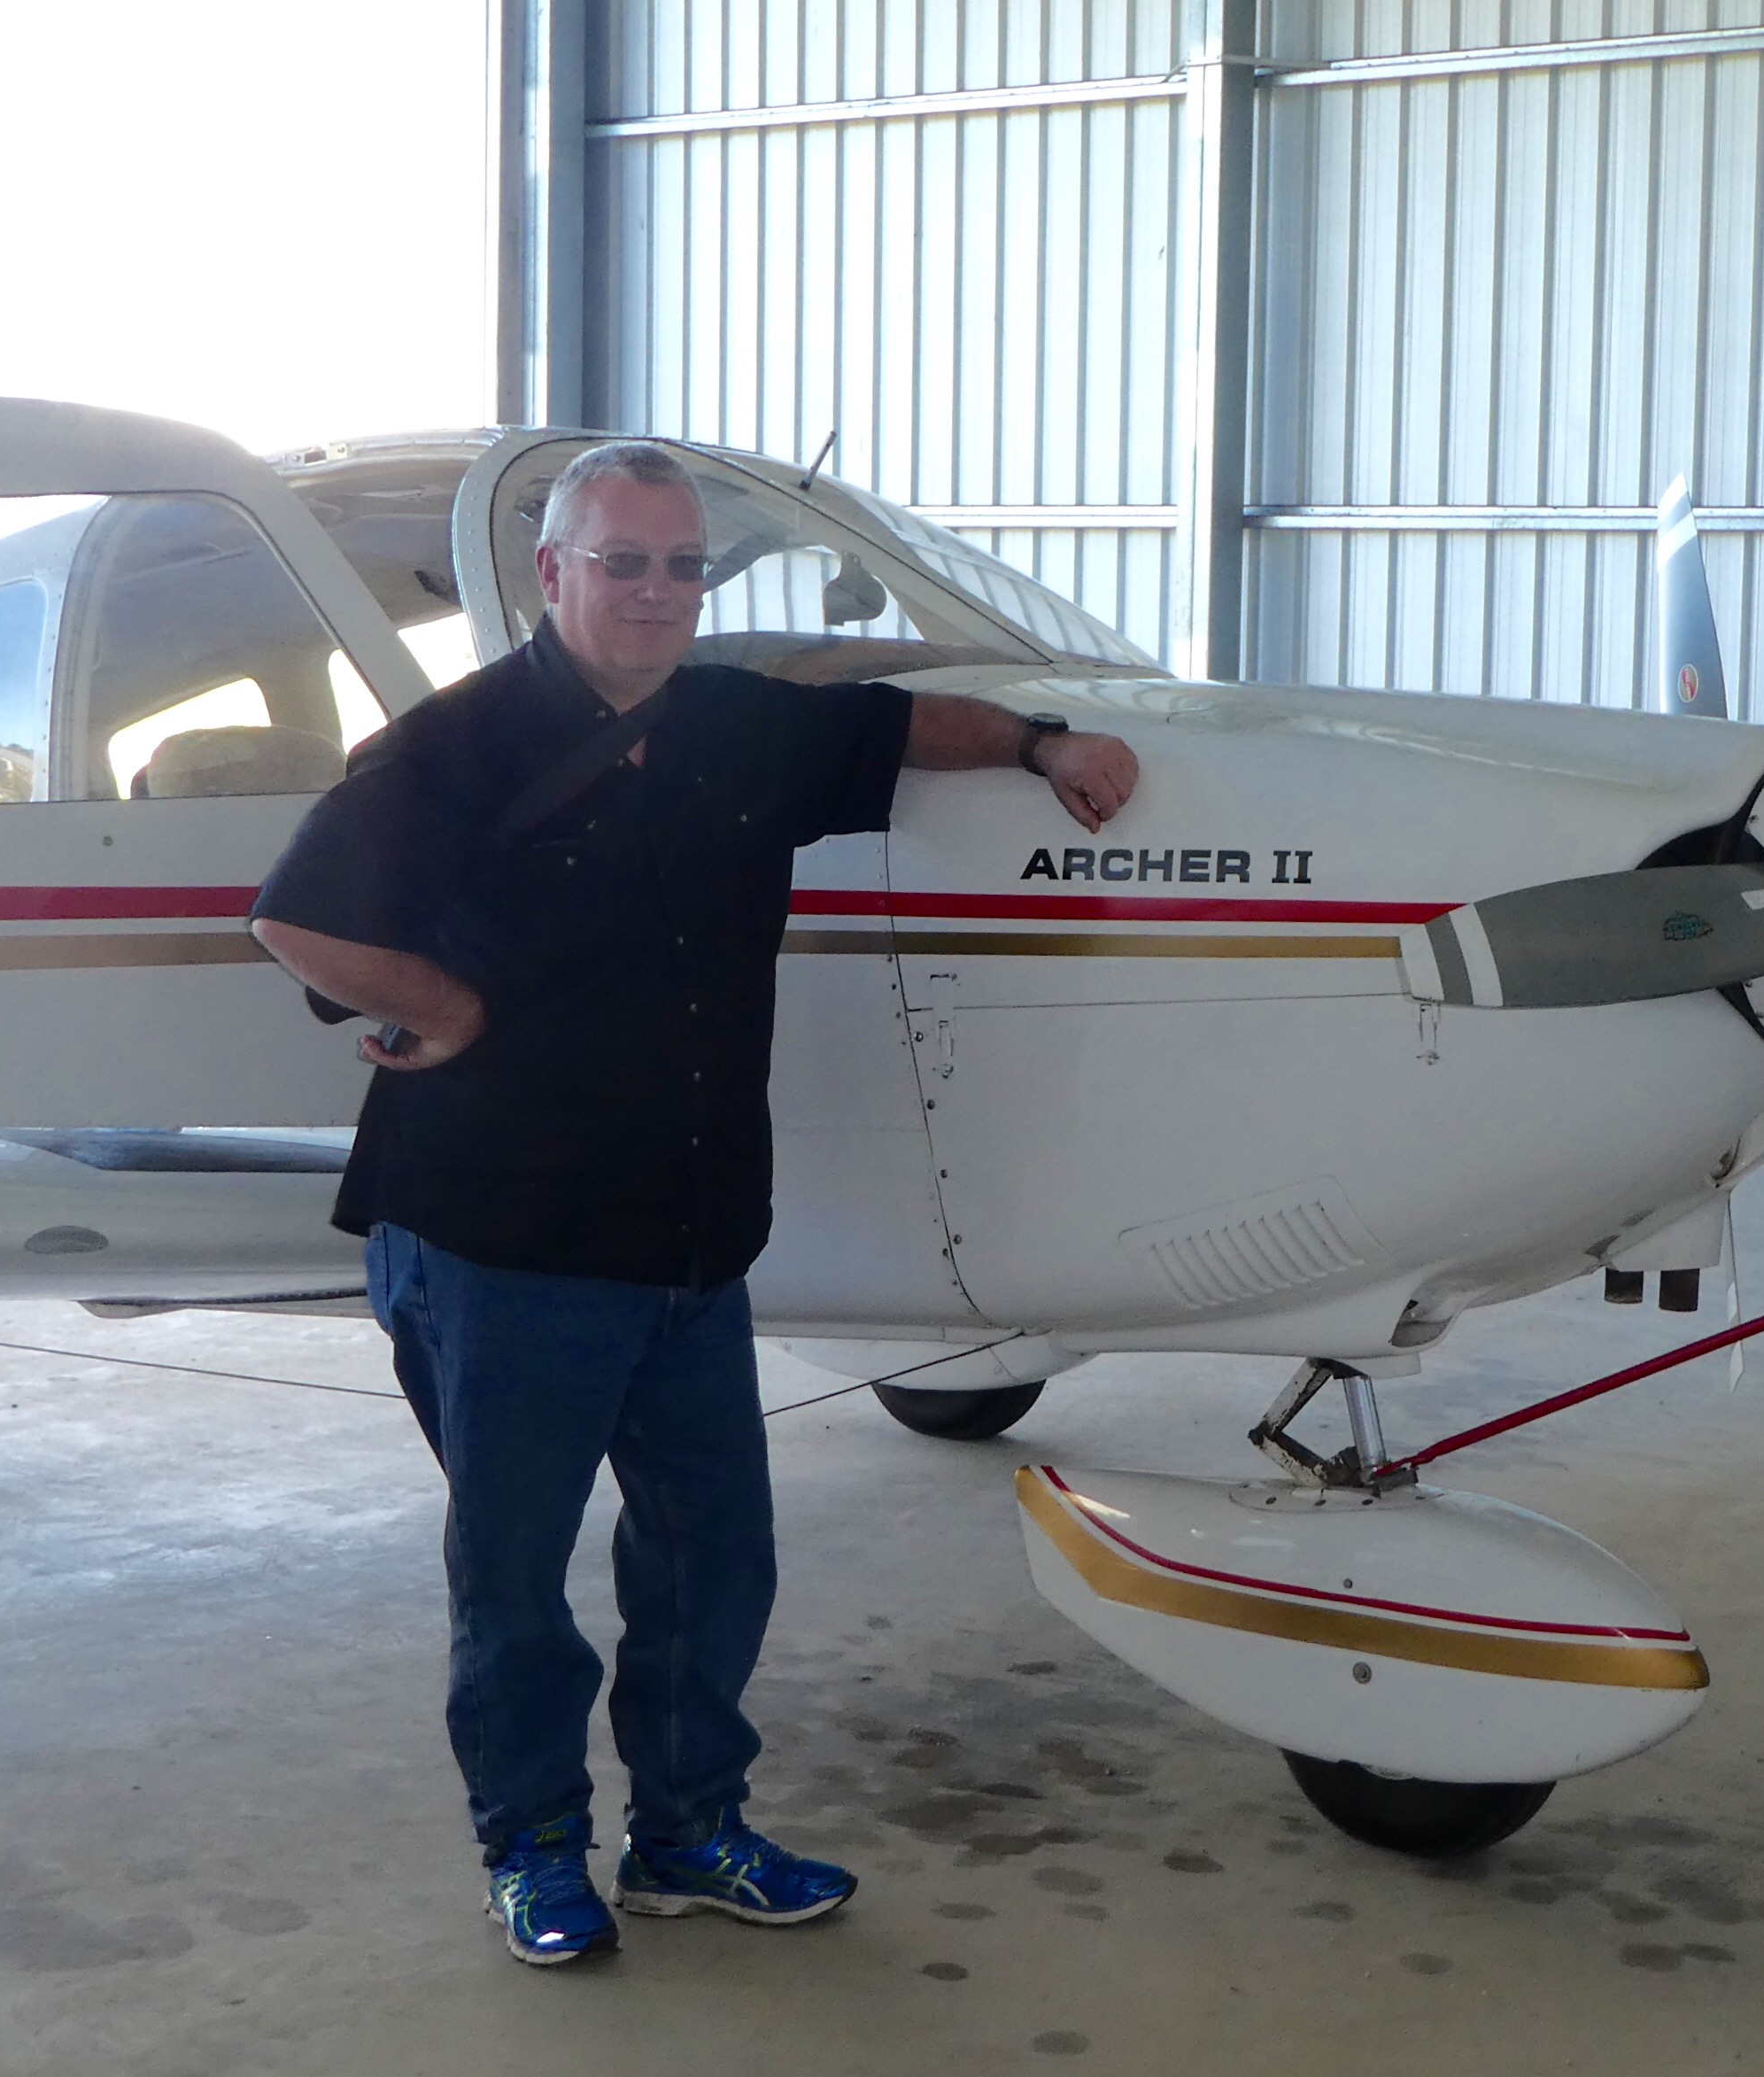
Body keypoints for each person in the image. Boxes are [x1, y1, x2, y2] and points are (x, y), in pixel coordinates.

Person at [249, 441, 1140, 1967]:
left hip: (689, 1235)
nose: (656, 591)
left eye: (680, 566)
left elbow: (898, 723)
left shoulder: (733, 722)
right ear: (554, 572)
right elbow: (296, 914)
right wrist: (444, 1005)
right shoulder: (456, 743)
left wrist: (1042, 741)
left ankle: (685, 1834)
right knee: (516, 1581)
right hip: (502, 1241)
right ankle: (532, 1848)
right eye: (623, 562)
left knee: (712, 1559)